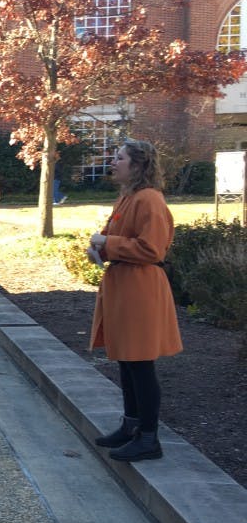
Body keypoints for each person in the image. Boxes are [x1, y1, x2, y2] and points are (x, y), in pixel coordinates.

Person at [89, 139, 182, 462]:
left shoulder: (149, 200)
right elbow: (117, 240)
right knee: (128, 361)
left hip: (141, 289)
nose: (113, 162)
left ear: (138, 165)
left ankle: (148, 438)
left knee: (140, 363)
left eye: (119, 158)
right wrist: (98, 248)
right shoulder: (128, 198)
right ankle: (131, 426)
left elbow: (151, 249)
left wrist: (107, 242)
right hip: (125, 287)